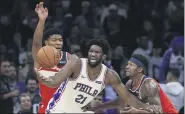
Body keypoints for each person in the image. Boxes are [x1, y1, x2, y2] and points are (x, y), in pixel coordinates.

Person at [36, 39, 172, 113]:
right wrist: (44, 77)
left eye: (97, 52)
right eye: (91, 51)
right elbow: (54, 82)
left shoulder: (111, 76)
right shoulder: (76, 63)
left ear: (104, 56)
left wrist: (142, 109)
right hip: (59, 109)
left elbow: (130, 99)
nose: (93, 54)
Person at [91, 54, 178, 113]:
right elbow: (120, 101)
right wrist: (97, 107)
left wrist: (137, 111)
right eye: (127, 64)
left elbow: (158, 111)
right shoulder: (130, 84)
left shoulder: (149, 84)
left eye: (131, 65)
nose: (127, 67)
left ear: (140, 69)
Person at [32, 2, 70, 113]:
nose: (58, 43)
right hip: (47, 108)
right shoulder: (41, 59)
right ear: (46, 43)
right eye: (54, 40)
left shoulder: (69, 58)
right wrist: (42, 20)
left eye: (60, 40)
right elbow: (36, 44)